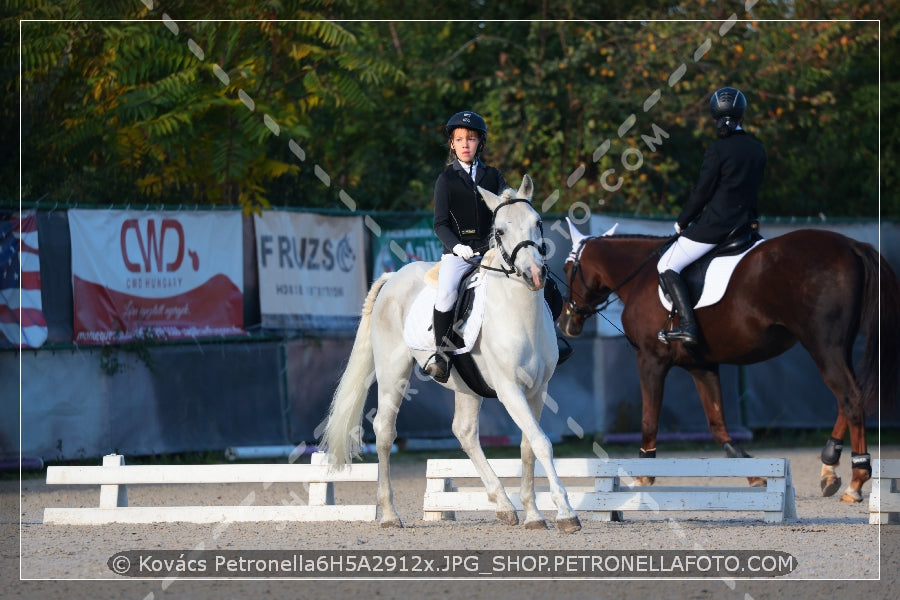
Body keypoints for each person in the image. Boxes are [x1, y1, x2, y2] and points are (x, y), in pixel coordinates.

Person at [425, 110, 570, 382]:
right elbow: (440, 224)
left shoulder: (493, 175)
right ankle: (442, 356)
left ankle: (551, 341)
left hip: (494, 250)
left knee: (545, 284)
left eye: (471, 139)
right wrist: (457, 247)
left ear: (480, 143)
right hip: (460, 254)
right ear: (452, 144)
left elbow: (509, 211)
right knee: (446, 294)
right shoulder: (446, 180)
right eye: (459, 139)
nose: (465, 144)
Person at [656, 87, 766, 346]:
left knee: (667, 265)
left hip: (716, 227)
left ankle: (688, 326)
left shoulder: (718, 149)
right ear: (742, 116)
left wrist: (683, 221)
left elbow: (702, 192)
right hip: (746, 228)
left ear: (714, 116)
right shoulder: (757, 150)